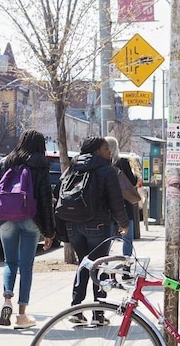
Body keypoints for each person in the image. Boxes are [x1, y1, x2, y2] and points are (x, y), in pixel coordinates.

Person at [0, 130, 54, 330]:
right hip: (31, 220)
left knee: (10, 262)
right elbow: (46, 201)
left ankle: (7, 299)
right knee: (26, 266)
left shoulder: (6, 162)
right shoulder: (41, 165)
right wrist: (49, 232)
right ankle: (21, 315)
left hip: (6, 220)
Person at [58, 136, 128, 326]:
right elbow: (116, 201)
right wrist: (123, 222)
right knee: (99, 266)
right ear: (97, 151)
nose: (109, 152)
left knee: (84, 264)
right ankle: (99, 313)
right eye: (106, 149)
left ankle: (76, 309)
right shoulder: (107, 170)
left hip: (72, 225)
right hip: (97, 224)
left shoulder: (72, 167)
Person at [106, 136, 138, 256]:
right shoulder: (123, 162)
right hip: (125, 205)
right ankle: (126, 268)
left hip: (107, 207)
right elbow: (133, 182)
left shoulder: (103, 164)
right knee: (127, 239)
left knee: (106, 241)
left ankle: (105, 268)